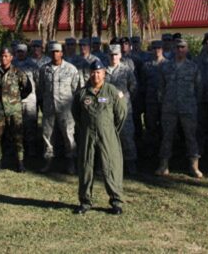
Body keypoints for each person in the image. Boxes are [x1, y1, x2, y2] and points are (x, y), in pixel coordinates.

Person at [72, 59, 127, 215]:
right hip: (87, 134)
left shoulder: (112, 91)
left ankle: (116, 202)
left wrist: (109, 129)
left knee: (111, 166)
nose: (95, 75)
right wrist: (86, 128)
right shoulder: (82, 93)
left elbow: (121, 113)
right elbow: (76, 114)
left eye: (98, 72)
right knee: (86, 165)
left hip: (107, 135)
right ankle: (85, 201)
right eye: (93, 72)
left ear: (104, 74)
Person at [156, 38, 204, 179]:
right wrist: (163, 102)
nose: (180, 50)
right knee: (167, 137)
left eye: (183, 47)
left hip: (188, 108)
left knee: (191, 137)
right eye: (177, 47)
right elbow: (161, 88)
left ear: (187, 49)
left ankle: (194, 166)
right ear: (173, 49)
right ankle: (163, 165)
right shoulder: (165, 67)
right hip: (169, 108)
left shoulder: (193, 67)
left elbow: (199, 88)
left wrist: (193, 103)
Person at [0, 47, 33, 172]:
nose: (3, 58)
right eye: (2, 56)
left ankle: (20, 162)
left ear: (11, 57)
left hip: (14, 111)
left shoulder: (18, 72)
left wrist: (16, 99)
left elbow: (27, 88)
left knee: (18, 137)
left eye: (6, 56)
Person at [38, 42, 82, 173]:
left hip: (66, 109)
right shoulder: (44, 69)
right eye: (52, 52)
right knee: (47, 136)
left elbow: (76, 89)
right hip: (49, 108)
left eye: (57, 51)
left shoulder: (71, 69)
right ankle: (48, 161)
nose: (55, 54)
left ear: (62, 53)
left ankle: (71, 162)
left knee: (69, 136)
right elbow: (41, 88)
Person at [104, 45, 139, 175]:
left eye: (116, 54)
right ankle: (108, 164)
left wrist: (125, 100)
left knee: (127, 137)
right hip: (107, 110)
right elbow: (99, 91)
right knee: (108, 138)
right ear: (108, 56)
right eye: (111, 55)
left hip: (124, 110)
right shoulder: (103, 71)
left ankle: (131, 163)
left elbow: (133, 87)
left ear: (120, 55)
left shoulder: (126, 70)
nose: (113, 57)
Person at [14, 43, 39, 161]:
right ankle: (18, 149)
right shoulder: (12, 64)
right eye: (18, 51)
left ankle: (32, 149)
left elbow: (38, 81)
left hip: (30, 100)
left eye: (22, 51)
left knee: (31, 126)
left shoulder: (33, 65)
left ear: (26, 52)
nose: (20, 53)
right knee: (16, 126)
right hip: (15, 100)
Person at [141, 40, 166, 158]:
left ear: (162, 49)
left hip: (165, 102)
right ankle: (151, 150)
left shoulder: (168, 64)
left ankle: (164, 151)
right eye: (154, 48)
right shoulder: (146, 65)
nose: (157, 50)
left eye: (159, 48)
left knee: (165, 127)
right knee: (150, 126)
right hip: (150, 101)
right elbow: (143, 84)